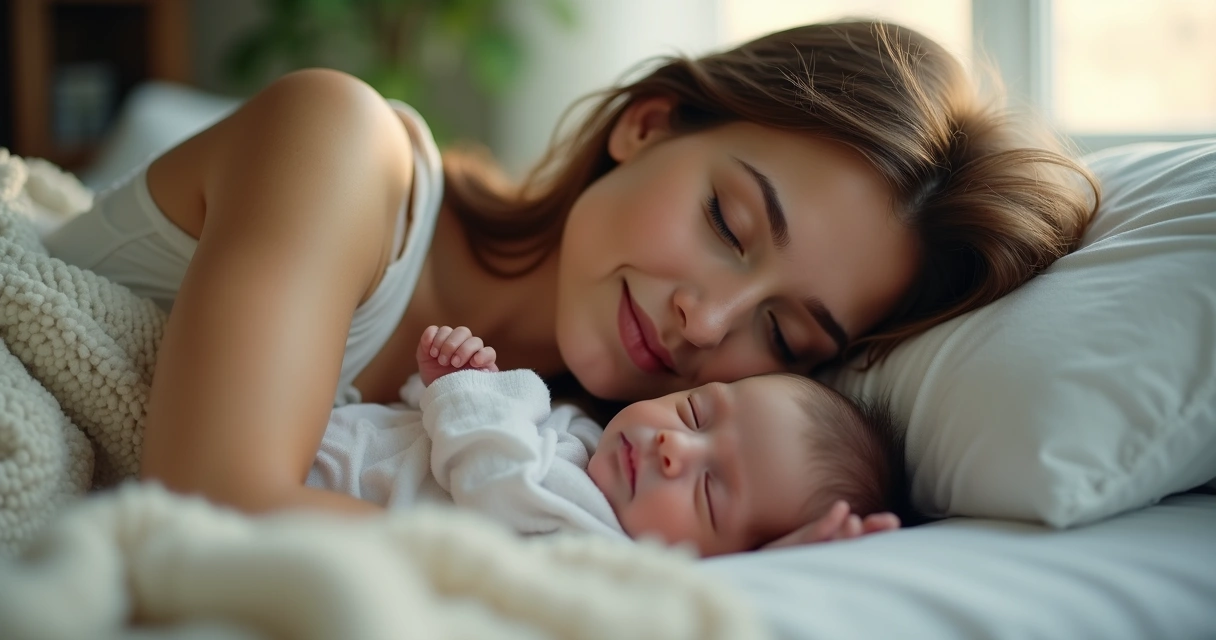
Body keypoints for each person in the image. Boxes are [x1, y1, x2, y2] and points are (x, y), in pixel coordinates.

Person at [42, 20, 1098, 524]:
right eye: (730, 222)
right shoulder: (344, 148)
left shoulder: (581, 457)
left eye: (783, 337)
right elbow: (213, 499)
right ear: (646, 125)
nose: (706, 316)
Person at [309, 325, 904, 557]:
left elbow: (495, 478)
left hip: (309, 481)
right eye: (696, 414)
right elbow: (434, 434)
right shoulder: (588, 439)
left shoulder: (593, 533)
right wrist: (437, 389)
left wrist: (466, 391)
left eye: (709, 490)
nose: (676, 447)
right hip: (313, 438)